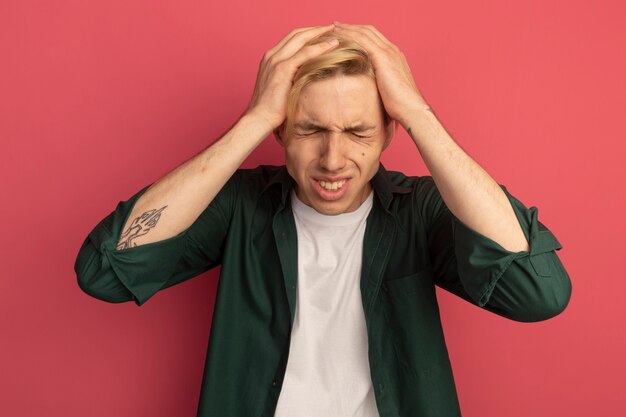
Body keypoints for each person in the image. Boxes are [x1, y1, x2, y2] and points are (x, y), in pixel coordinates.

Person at [74, 22, 572, 417]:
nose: (333, 160)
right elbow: (106, 271)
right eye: (310, 130)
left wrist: (419, 113)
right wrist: (252, 119)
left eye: (358, 132)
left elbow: (538, 293)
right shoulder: (241, 206)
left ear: (388, 133)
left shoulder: (419, 210)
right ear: (281, 131)